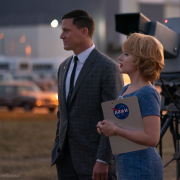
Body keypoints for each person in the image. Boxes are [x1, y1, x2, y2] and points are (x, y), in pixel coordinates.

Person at [50, 10, 124, 180]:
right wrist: (58, 149)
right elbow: (63, 115)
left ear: (84, 32)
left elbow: (114, 117)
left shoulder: (107, 67)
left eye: (66, 30)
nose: (62, 36)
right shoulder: (63, 67)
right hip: (65, 164)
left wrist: (103, 159)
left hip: (95, 165)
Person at [97, 33, 164, 180]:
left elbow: (152, 138)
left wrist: (115, 130)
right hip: (126, 166)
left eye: (126, 54)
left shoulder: (147, 92)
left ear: (141, 60)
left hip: (143, 167)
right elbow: (127, 126)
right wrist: (106, 126)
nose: (120, 57)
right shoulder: (125, 89)